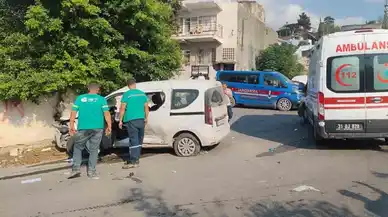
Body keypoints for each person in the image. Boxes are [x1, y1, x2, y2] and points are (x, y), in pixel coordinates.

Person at [69, 83, 112, 179]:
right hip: (97, 128)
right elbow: (107, 114)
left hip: (83, 128)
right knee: (94, 150)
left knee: (78, 147)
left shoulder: (80, 98)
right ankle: (92, 172)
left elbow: (73, 112)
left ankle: (75, 169)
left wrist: (71, 125)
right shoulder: (101, 99)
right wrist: (109, 126)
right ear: (98, 89)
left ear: (88, 88)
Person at [119, 78, 149, 169]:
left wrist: (120, 120)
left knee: (133, 140)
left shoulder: (127, 94)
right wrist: (146, 118)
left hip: (131, 120)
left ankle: (133, 161)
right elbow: (146, 108)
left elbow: (122, 108)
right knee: (140, 139)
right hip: (141, 119)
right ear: (135, 84)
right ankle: (137, 158)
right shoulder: (142, 94)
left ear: (128, 85)